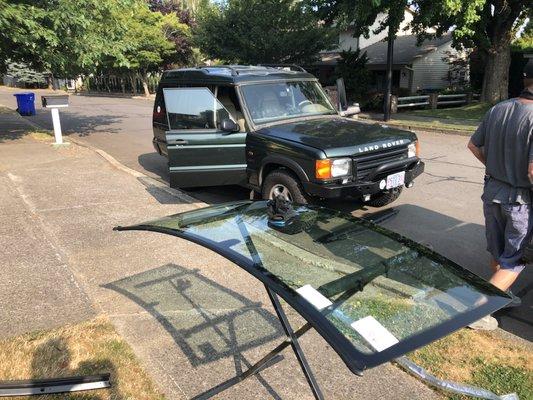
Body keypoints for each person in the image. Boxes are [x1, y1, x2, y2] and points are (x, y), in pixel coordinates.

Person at [467, 59, 533, 330]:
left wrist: (496, 168)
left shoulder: (498, 109)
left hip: (492, 190)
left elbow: (473, 145)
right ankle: (477, 312)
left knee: (498, 251)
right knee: (514, 259)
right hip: (520, 200)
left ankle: (499, 295)